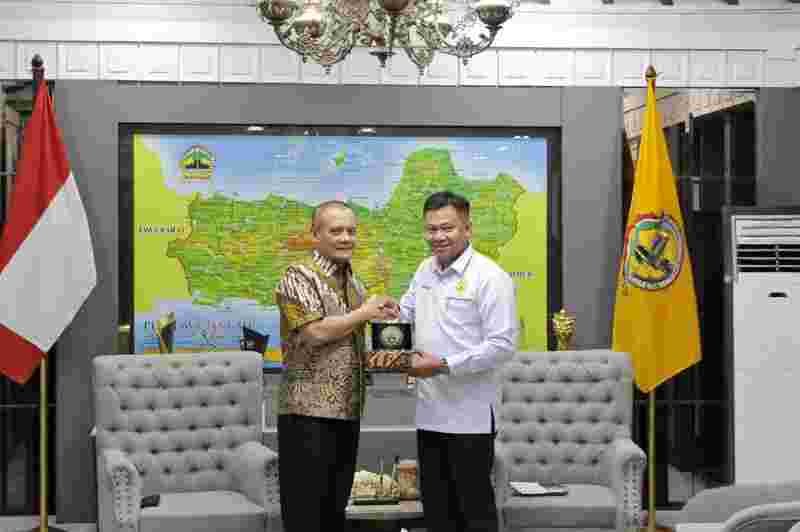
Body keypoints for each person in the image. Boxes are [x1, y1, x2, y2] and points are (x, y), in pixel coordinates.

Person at [398, 190, 519, 532]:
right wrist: (378, 312)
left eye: (447, 228)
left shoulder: (490, 277)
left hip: (471, 418)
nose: (438, 236)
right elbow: (405, 313)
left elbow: (502, 344)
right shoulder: (424, 270)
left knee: (474, 513)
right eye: (431, 229)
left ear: (468, 229)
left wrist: (443, 364)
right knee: (437, 512)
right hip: (429, 412)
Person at [274, 200, 398, 532]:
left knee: (333, 513)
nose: (346, 238)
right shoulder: (296, 277)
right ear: (315, 235)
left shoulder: (355, 284)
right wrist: (364, 312)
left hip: (347, 413)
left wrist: (385, 324)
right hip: (306, 415)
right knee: (305, 515)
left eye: (351, 231)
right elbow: (314, 333)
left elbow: (351, 338)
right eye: (336, 231)